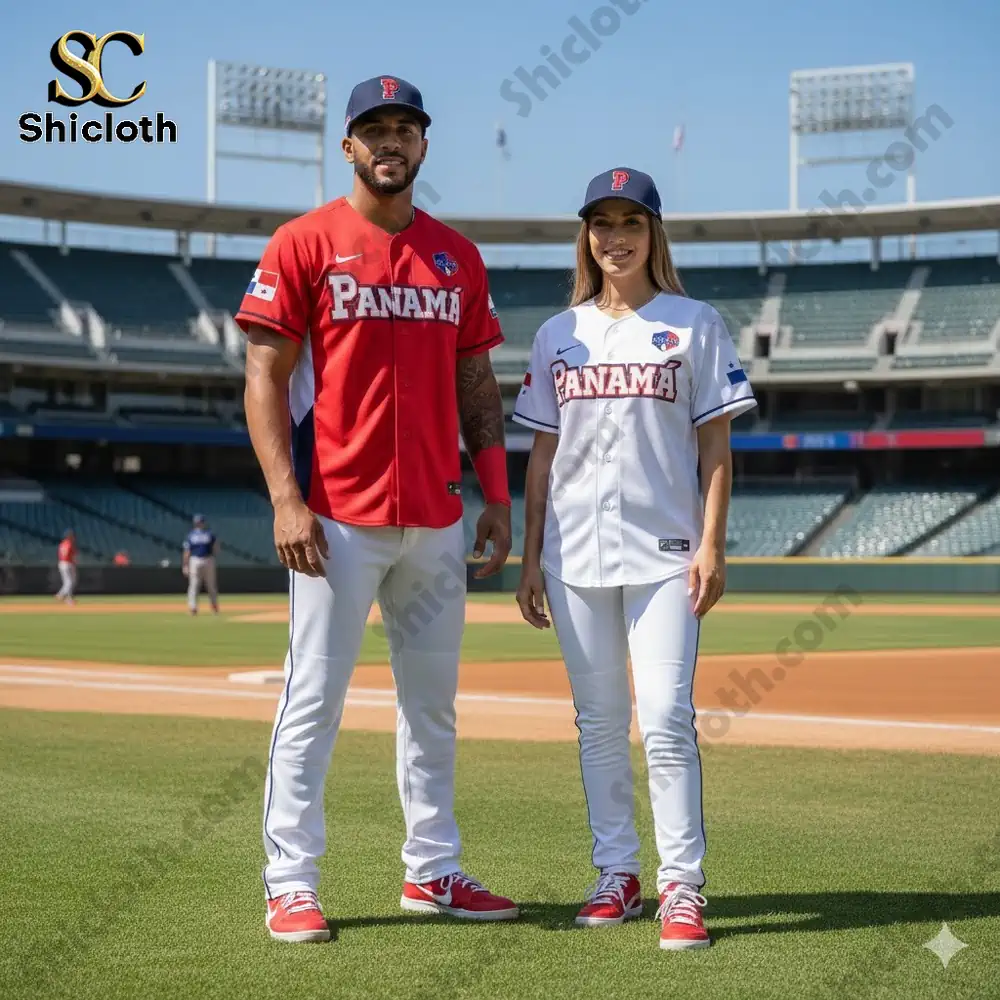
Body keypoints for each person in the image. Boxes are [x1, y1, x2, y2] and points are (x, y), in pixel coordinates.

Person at [237, 75, 515, 944]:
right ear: (348, 146)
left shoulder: (456, 257)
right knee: (313, 697)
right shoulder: (304, 241)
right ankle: (289, 882)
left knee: (432, 704)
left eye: (406, 128)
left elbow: (477, 382)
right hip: (337, 517)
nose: (391, 140)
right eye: (374, 128)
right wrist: (287, 498)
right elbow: (265, 380)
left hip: (435, 516)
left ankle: (431, 871)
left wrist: (496, 493)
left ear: (424, 146)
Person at [512, 168, 757, 951]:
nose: (615, 236)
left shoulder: (694, 322)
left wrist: (714, 542)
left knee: (666, 722)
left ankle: (681, 887)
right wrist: (528, 555)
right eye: (601, 223)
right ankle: (617, 874)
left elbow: (714, 443)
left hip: (666, 553)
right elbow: (542, 457)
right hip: (572, 553)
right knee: (598, 724)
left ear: (655, 233)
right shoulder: (560, 333)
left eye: (631, 222)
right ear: (586, 236)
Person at [182, 514, 219, 615]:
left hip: (207, 559)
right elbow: (187, 551)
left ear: (203, 523)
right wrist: (185, 564)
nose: (199, 524)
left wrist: (213, 557)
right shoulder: (191, 535)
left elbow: (216, 547)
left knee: (211, 585)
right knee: (194, 585)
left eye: (200, 522)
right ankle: (193, 608)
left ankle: (214, 607)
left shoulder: (209, 534)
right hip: (195, 560)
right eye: (197, 522)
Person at [55, 529, 77, 604]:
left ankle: (69, 598)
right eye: (72, 536)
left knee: (70, 581)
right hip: (68, 563)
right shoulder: (69, 544)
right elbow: (70, 555)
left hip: (62, 563)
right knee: (70, 582)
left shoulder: (62, 544)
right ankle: (60, 594)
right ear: (69, 536)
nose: (73, 537)